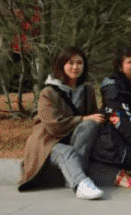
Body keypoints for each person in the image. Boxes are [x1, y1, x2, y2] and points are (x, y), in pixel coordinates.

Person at [18, 47, 104, 199]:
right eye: (70, 63)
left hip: (74, 139)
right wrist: (82, 119)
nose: (75, 67)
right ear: (61, 65)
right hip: (48, 141)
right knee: (66, 151)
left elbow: (92, 119)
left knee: (91, 124)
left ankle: (73, 176)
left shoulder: (88, 90)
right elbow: (54, 126)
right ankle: (81, 184)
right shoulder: (48, 92)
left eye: (79, 63)